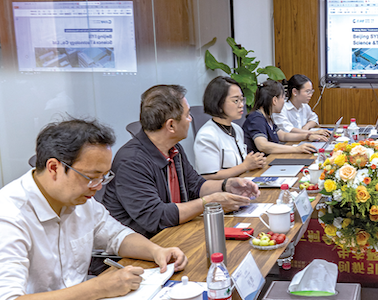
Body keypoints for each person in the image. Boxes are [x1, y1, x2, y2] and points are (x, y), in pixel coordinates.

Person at [0, 119, 188, 300]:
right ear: (54, 168)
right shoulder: (5, 220)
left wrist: (156, 251)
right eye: (91, 177)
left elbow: (116, 236)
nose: (98, 186)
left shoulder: (78, 200)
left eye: (104, 177)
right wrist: (99, 287)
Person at [103, 85, 260, 238]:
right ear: (171, 125)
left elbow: (196, 185)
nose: (191, 120)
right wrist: (208, 202)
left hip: (175, 233)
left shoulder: (174, 149)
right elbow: (156, 218)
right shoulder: (132, 161)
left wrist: (227, 185)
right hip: (146, 245)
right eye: (187, 115)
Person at [194, 76, 267, 179]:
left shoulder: (237, 129)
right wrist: (245, 166)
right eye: (236, 100)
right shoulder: (206, 135)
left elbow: (240, 165)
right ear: (219, 103)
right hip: (223, 188)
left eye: (242, 99)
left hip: (243, 183)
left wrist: (254, 162)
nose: (241, 105)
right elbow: (208, 176)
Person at [243, 80, 318, 155]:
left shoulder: (267, 117)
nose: (284, 102)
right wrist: (297, 149)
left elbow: (283, 135)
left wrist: (307, 136)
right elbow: (262, 145)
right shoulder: (256, 119)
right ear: (275, 100)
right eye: (283, 98)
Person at [273, 74, 331, 142]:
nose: (310, 95)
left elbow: (314, 119)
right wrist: (312, 133)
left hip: (302, 140)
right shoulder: (281, 108)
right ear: (295, 92)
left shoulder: (304, 105)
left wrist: (306, 127)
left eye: (311, 91)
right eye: (307, 91)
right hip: (288, 143)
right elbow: (288, 129)